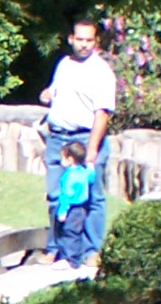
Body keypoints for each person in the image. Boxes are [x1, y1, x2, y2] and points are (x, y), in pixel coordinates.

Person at [39, 17, 115, 273]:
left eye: (89, 40)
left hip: (85, 140)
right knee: (55, 194)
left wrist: (91, 151)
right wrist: (46, 95)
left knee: (91, 197)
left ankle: (92, 251)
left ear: (96, 42)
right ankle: (56, 248)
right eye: (79, 39)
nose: (84, 45)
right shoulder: (64, 65)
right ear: (71, 39)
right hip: (58, 138)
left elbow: (102, 113)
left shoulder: (101, 71)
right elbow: (53, 91)